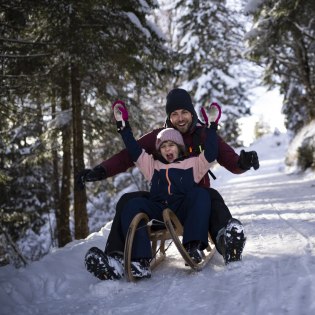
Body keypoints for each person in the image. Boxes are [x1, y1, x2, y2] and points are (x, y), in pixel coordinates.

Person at [78, 88, 259, 279]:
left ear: (192, 113)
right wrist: (101, 170)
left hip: (192, 198)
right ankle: (118, 258)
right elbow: (129, 154)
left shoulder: (203, 135)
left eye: (184, 113)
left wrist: (243, 163)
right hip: (161, 199)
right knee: (127, 201)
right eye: (174, 114)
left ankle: (225, 240)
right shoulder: (159, 138)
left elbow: (225, 158)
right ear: (168, 117)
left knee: (208, 195)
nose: (180, 118)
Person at [85, 100, 219, 280]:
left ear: (179, 147)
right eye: (163, 147)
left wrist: (212, 126)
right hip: (158, 209)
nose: (167, 149)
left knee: (201, 194)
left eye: (171, 145)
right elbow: (134, 150)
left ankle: (193, 246)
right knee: (132, 204)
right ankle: (140, 261)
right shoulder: (153, 166)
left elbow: (210, 152)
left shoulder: (193, 163)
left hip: (182, 211)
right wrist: (123, 126)